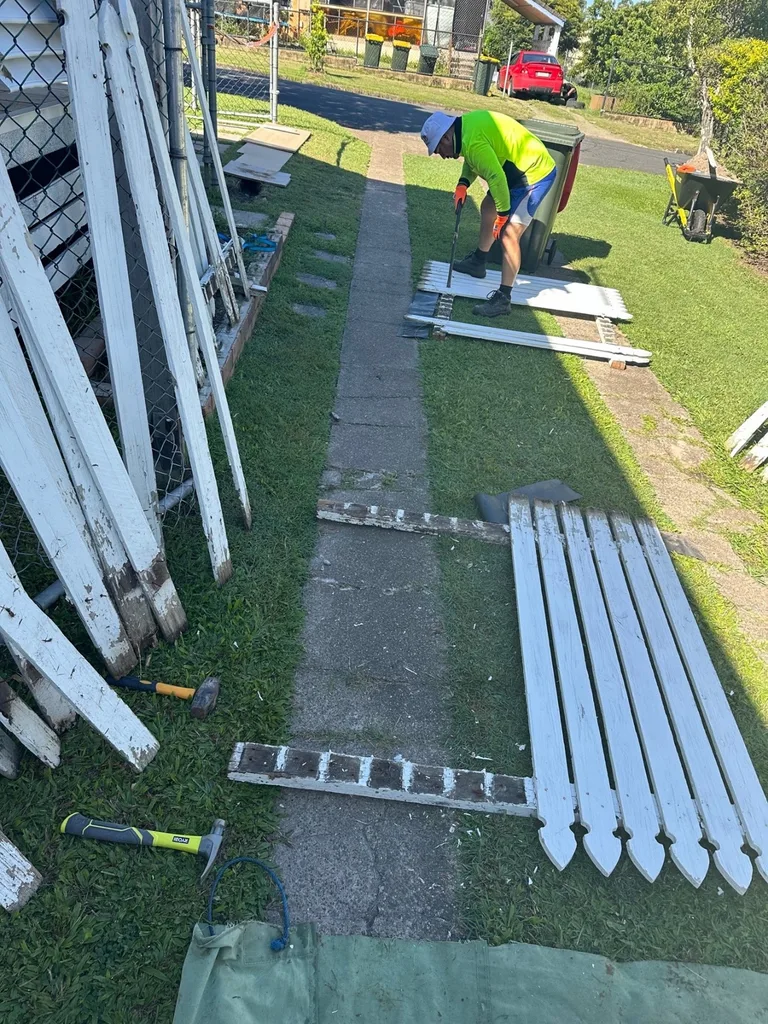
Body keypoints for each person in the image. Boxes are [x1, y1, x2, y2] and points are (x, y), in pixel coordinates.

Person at [420, 110, 556, 317]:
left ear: (447, 137)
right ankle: (478, 262)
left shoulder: (472, 141)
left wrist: (503, 215)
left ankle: (504, 298)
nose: (441, 154)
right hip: (514, 169)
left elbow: (495, 177)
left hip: (535, 173)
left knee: (510, 233)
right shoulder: (464, 130)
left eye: (438, 148)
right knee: (487, 207)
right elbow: (472, 158)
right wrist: (463, 184)